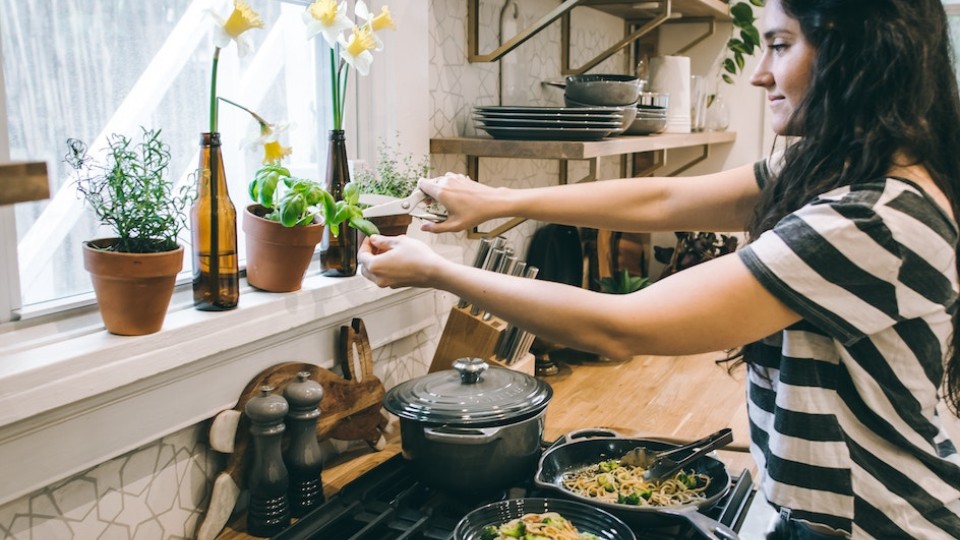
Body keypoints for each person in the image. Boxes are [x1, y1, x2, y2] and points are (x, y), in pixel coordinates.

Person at [359, 0, 960, 537]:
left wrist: (437, 271)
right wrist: (502, 199)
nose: (760, 73)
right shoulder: (840, 172)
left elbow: (624, 326)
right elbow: (663, 201)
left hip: (877, 520)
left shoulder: (869, 216)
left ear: (858, 51)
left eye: (780, 44)